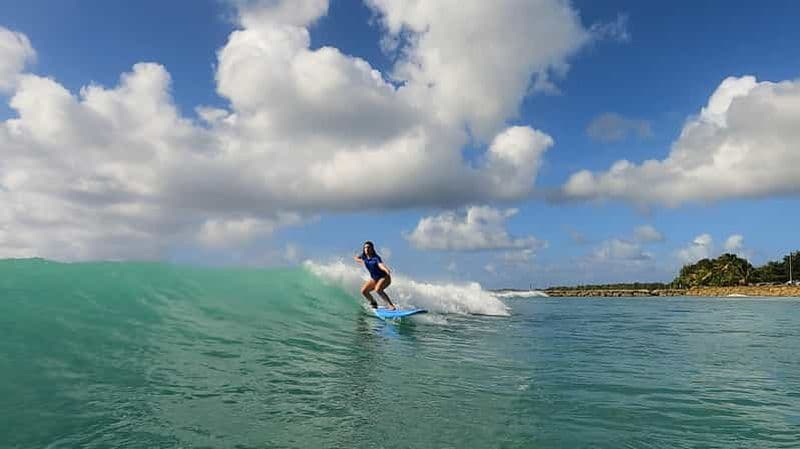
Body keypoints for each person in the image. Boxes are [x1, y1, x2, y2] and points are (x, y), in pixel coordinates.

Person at [354, 241, 397, 310]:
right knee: (364, 291)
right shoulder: (363, 257)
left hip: (384, 277)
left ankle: (391, 305)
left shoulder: (376, 258)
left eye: (368, 247)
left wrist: (386, 270)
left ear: (372, 249)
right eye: (365, 248)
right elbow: (356, 258)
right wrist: (361, 261)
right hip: (374, 279)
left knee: (378, 289)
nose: (367, 249)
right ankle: (373, 303)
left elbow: (381, 265)